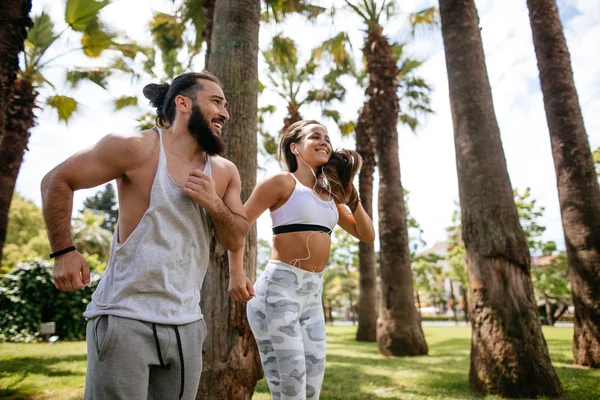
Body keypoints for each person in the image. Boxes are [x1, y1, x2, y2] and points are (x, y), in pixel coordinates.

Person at [40, 71, 249, 400]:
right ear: (183, 103)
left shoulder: (224, 172)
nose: (225, 112)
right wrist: (64, 251)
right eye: (216, 102)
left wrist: (213, 203)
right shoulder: (135, 148)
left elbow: (236, 238)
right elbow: (57, 180)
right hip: (124, 317)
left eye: (226, 105)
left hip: (187, 324)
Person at [227, 120, 375, 399]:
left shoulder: (330, 196)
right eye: (315, 137)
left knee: (310, 391)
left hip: (311, 297)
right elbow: (239, 225)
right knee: (290, 390)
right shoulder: (283, 182)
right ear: (295, 147)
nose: (324, 142)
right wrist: (236, 272)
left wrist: (352, 198)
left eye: (327, 139)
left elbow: (366, 234)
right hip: (277, 293)